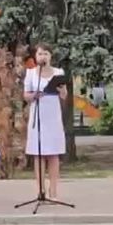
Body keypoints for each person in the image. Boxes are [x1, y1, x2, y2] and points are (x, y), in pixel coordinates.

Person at [23, 43, 67, 199]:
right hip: (38, 118)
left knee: (54, 155)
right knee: (39, 154)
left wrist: (61, 90)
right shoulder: (31, 74)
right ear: (36, 56)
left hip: (53, 117)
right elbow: (26, 96)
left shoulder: (58, 72)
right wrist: (34, 95)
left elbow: (64, 95)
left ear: (50, 56)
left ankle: (53, 190)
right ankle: (40, 190)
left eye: (46, 54)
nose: (43, 56)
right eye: (40, 54)